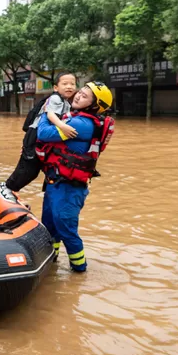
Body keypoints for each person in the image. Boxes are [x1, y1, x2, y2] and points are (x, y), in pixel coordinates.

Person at [36, 82, 114, 272]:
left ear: (94, 106)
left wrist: (48, 113)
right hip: (57, 183)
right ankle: (52, 262)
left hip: (69, 188)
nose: (78, 96)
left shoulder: (82, 124)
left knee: (66, 230)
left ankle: (79, 271)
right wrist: (56, 118)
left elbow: (43, 133)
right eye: (81, 92)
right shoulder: (76, 117)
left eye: (85, 96)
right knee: (50, 227)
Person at [5, 72, 77, 193]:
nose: (69, 86)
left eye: (72, 84)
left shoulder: (66, 102)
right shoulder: (55, 98)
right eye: (65, 84)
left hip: (40, 137)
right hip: (35, 134)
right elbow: (50, 114)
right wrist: (63, 126)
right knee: (28, 169)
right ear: (56, 87)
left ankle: (10, 188)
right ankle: (8, 188)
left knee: (33, 169)